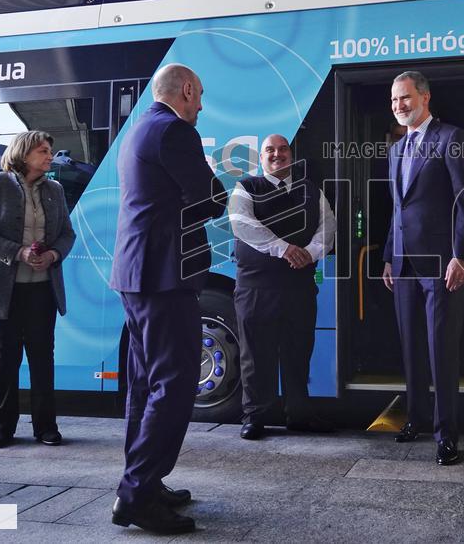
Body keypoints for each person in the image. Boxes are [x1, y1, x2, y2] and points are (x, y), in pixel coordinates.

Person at [109, 63, 227, 535]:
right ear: (185, 90)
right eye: (199, 96)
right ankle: (136, 495)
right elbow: (209, 199)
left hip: (138, 275)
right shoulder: (175, 131)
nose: (200, 105)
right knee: (174, 386)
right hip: (165, 277)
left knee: (145, 384)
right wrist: (214, 186)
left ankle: (143, 481)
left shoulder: (139, 131)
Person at [382, 70, 464, 466]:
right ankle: (416, 420)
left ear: (424, 97)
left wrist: (462, 255)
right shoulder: (395, 149)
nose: (399, 106)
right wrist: (390, 254)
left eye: (405, 98)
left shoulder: (450, 139)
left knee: (441, 350)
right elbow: (398, 209)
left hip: (442, 264)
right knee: (411, 350)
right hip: (404, 264)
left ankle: (446, 435)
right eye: (393, 101)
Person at [0, 130, 75, 449]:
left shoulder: (55, 189)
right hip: (4, 289)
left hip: (42, 289)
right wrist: (18, 252)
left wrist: (52, 255)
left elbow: (67, 234)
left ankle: (46, 428)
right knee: (5, 356)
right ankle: (1, 428)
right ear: (24, 154)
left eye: (49, 150)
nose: (49, 156)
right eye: (43, 150)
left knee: (42, 357)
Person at [228, 134, 337, 440]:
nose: (277, 155)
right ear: (260, 158)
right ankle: (255, 417)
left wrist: (310, 254)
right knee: (255, 355)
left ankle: (299, 415)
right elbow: (241, 223)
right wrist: (285, 249)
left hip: (299, 288)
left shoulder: (310, 191)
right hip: (256, 290)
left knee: (298, 353)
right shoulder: (246, 188)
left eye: (283, 149)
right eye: (270, 150)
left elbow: (328, 226)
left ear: (291, 155)